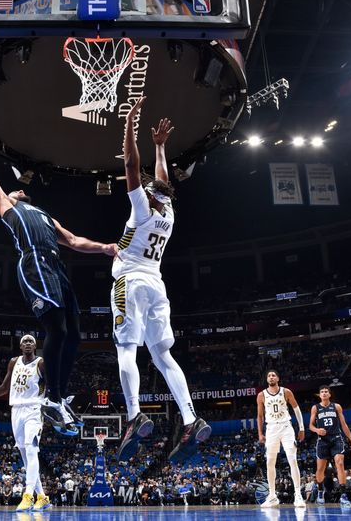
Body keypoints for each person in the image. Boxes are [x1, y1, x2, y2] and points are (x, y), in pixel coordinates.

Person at [0, 151, 117, 436]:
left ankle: (58, 398)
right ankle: (52, 397)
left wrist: (104, 248)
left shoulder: (46, 216)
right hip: (34, 263)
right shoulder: (8, 207)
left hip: (57, 266)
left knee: (74, 334)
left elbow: (73, 241)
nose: (21, 188)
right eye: (16, 189)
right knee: (57, 330)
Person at [111, 96, 210, 463]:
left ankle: (134, 414)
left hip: (131, 281)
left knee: (126, 349)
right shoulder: (167, 210)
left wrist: (130, 126)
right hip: (157, 285)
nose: (147, 185)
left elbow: (133, 165)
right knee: (162, 354)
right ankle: (190, 417)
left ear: (149, 195)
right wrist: (161, 146)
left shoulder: (143, 206)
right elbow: (161, 177)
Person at [0, 334, 51, 511]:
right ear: (20, 346)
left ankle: (27, 496)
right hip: (16, 410)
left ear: (35, 346)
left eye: (31, 341)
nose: (27, 343)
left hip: (34, 409)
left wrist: (50, 403)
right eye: (24, 341)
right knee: (25, 456)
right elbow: (4, 387)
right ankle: (42, 497)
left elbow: (51, 384)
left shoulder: (41, 363)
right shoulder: (13, 362)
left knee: (32, 451)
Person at [256, 369, 305, 508]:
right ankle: (272, 496)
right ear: (267, 380)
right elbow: (260, 416)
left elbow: (296, 409)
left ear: (278, 378)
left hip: (286, 427)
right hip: (271, 428)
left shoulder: (286, 391)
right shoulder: (261, 395)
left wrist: (301, 428)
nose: (271, 377)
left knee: (292, 459)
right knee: (270, 463)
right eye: (269, 376)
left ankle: (298, 495)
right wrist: (260, 433)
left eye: (273, 375)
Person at [309, 385, 351, 507]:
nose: (324, 393)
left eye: (326, 391)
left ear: (329, 394)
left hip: (336, 438)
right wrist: (317, 430)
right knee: (320, 469)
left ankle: (343, 495)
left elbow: (344, 424)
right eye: (322, 392)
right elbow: (310, 426)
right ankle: (320, 490)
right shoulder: (315, 408)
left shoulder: (336, 407)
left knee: (340, 463)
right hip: (322, 440)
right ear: (319, 395)